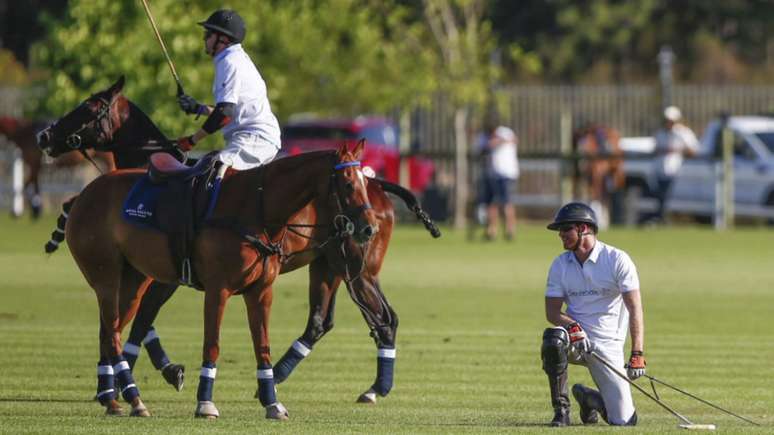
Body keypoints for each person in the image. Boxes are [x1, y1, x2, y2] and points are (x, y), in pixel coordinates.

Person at [540, 202, 646, 427]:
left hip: (607, 345)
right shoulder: (560, 264)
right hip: (575, 341)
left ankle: (590, 399)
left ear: (584, 228)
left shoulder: (617, 259)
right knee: (553, 339)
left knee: (624, 421)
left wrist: (637, 353)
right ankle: (561, 413)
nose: (560, 234)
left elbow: (635, 308)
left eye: (566, 228)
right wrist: (573, 327)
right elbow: (552, 312)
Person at [176, 9, 281, 171]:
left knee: (212, 170)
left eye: (208, 34)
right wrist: (199, 108)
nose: (204, 39)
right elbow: (232, 113)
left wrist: (192, 140)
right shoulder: (234, 58)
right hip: (255, 138)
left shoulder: (229, 62)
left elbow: (225, 113)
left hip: (254, 139)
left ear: (223, 39)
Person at [649, 106, 699, 223]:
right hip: (661, 170)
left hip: (678, 171)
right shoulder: (660, 133)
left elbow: (693, 150)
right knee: (660, 197)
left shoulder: (683, 133)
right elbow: (655, 150)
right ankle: (661, 219)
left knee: (668, 198)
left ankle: (663, 219)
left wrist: (676, 151)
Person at [481, 126, 519, 240]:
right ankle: (491, 231)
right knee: (492, 203)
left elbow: (514, 140)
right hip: (493, 175)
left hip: (507, 174)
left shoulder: (504, 131)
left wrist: (499, 141)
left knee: (506, 203)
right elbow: (484, 147)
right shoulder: (485, 136)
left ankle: (510, 231)